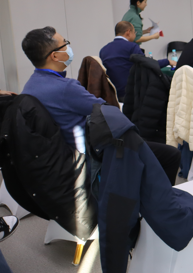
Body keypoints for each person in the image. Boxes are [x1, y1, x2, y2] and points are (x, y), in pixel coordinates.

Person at [19, 26, 181, 183]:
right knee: (170, 154)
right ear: (55, 56)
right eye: (65, 44)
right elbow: (108, 112)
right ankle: (160, 199)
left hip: (59, 158)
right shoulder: (65, 88)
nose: (68, 47)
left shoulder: (29, 86)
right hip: (91, 155)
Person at [100, 21, 175, 101]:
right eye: (134, 32)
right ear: (128, 32)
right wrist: (168, 61)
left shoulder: (103, 50)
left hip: (112, 95)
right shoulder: (132, 47)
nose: (135, 35)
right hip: (131, 94)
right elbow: (148, 64)